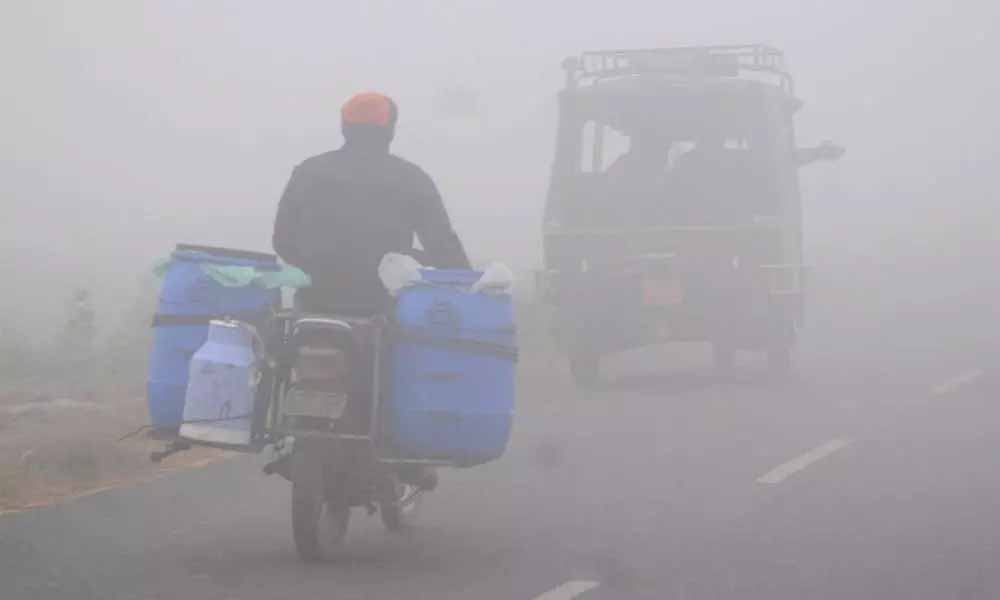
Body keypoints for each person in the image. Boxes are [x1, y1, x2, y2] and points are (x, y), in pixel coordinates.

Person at [273, 91, 470, 315]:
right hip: (383, 308)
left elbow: (282, 240)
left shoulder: (308, 171)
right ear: (390, 131)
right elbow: (443, 247)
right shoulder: (412, 178)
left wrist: (319, 268)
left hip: (315, 302)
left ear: (344, 127)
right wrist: (468, 285)